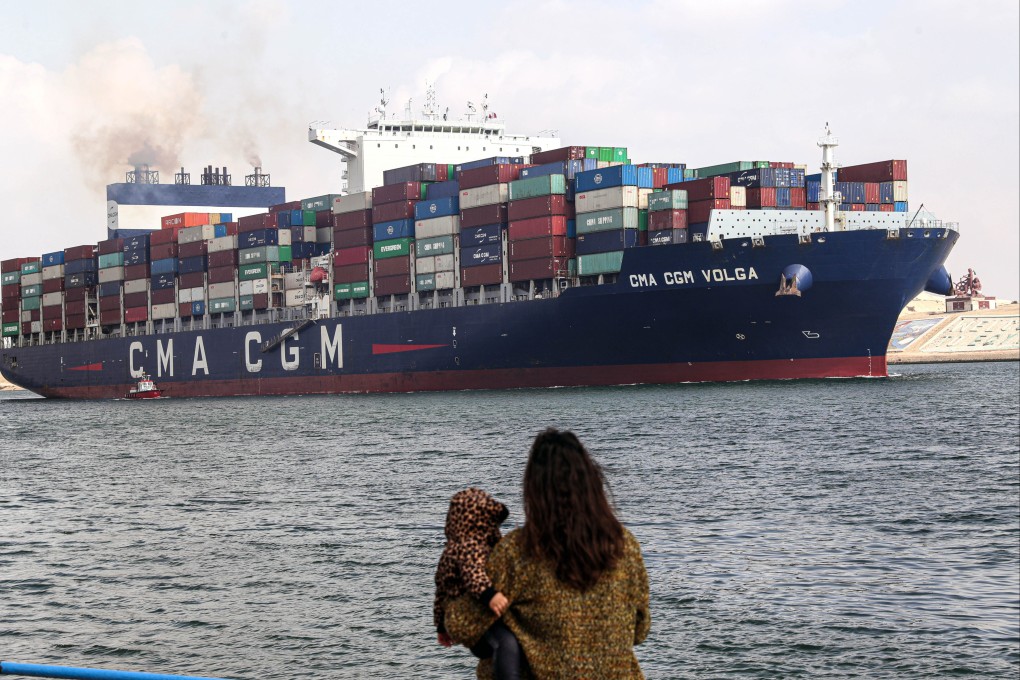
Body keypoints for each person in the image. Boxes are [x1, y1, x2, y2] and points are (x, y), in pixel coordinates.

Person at [445, 428, 650, 678]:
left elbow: (461, 623)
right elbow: (640, 631)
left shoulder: (518, 552)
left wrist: (507, 632)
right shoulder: (626, 545)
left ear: (533, 488)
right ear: (591, 483)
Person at [433, 487, 525, 678]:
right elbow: (472, 573)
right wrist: (490, 596)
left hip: (469, 621)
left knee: (505, 646)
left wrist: (441, 627)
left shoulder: (453, 550)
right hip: (476, 620)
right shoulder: (469, 546)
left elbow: (441, 595)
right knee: (506, 642)